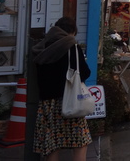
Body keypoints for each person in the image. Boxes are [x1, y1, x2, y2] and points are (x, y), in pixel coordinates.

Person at [32, 17, 92, 161]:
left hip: (47, 103)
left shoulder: (42, 46)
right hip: (69, 101)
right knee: (80, 142)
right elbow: (84, 73)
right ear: (72, 31)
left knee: (52, 144)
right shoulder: (71, 46)